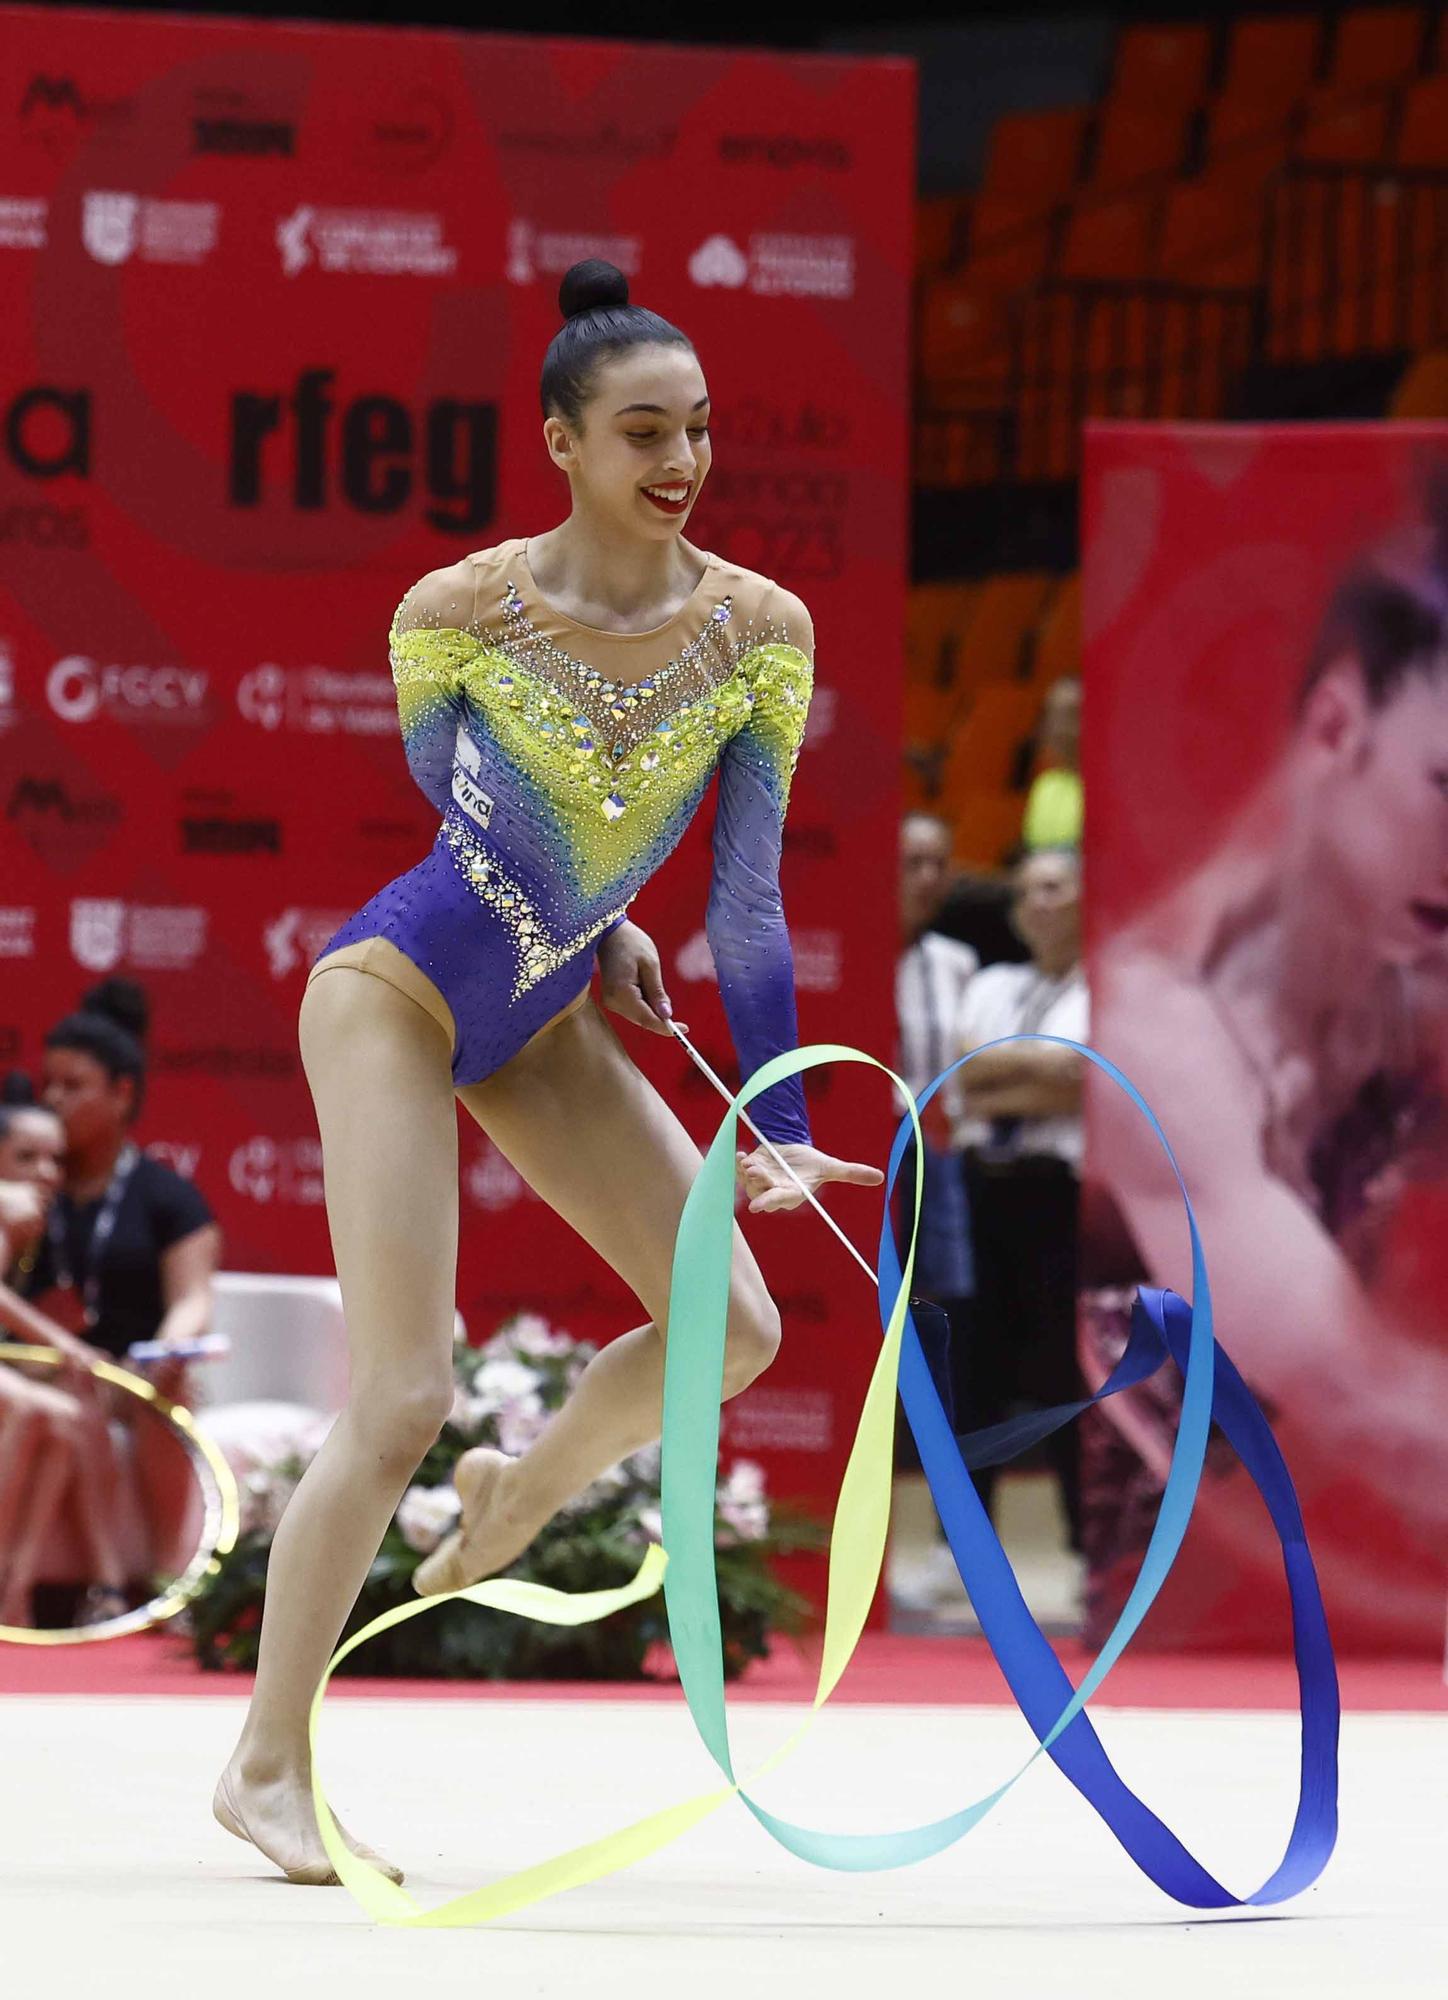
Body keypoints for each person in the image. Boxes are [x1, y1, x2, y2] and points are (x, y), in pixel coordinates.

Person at [211, 258, 884, 1887]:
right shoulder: (454, 612)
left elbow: (742, 891)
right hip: (398, 994)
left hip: (543, 1005)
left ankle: (519, 1496)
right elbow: (471, 829)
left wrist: (773, 1117)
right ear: (561, 443)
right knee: (401, 1394)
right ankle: (263, 1762)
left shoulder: (757, 634)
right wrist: (579, 925)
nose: (682, 462)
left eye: (701, 430)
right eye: (644, 430)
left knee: (733, 1330)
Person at [1081, 480, 1448, 1648]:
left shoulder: (1413, 936)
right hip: (1195, 1625)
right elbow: (1358, 1397)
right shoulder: (1160, 1039)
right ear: (1337, 730)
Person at [950, 847, 1088, 1550]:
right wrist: (1041, 1071)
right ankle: (966, 1547)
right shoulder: (990, 982)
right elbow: (961, 1079)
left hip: (1060, 1196)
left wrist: (1001, 1067)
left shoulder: (1106, 987)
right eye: (1026, 890)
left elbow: (1083, 1080)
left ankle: (1084, 1544)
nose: (1037, 902)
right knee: (972, 1370)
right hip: (980, 1188)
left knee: (1067, 1370)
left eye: (1053, 888)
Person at [21, 981, 220, 1407]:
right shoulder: (17, 1186)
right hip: (30, 1374)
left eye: (73, 1086)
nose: (54, 1099)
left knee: (175, 1394)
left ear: (121, 1093)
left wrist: (162, 1358)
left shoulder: (170, 1199)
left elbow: (192, 1302)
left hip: (131, 1388)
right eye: (48, 1084)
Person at [889, 814, 978, 1611]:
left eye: (937, 863)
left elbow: (977, 1076)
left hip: (937, 1165)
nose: (924, 877)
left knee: (941, 1347)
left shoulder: (960, 965)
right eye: (910, 861)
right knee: (868, 1349)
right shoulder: (838, 952)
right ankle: (867, 1550)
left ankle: (944, 1547)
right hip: (862, 1165)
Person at [0, 1091, 130, 1626]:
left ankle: (17, 1590)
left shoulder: (42, 1222)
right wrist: (66, 1346)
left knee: (67, 1419)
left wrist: (79, 1356)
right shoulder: (10, 1208)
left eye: (56, 1159)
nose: (46, 1172)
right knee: (41, 1410)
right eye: (26, 1157)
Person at [1021, 675, 1082, 851]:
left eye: (1071, 714)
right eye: (1052, 714)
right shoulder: (1045, 785)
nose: (1058, 726)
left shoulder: (1111, 791)